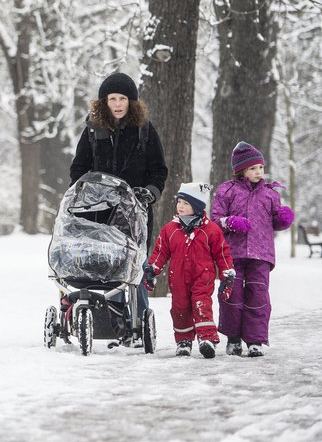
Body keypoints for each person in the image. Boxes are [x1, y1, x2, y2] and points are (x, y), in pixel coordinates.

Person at [69, 72, 168, 326]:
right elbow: (79, 167)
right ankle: (114, 322)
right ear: (104, 102)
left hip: (136, 209)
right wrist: (82, 192)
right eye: (112, 98)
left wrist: (150, 192)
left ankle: (138, 320)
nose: (117, 104)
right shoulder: (92, 130)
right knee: (109, 265)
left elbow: (158, 169)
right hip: (100, 211)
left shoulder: (144, 130)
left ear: (131, 101)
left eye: (122, 98)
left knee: (135, 264)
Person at [211, 141, 295, 358]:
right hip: (232, 254)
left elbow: (274, 222)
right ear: (241, 170)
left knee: (258, 297)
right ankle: (233, 339)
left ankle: (255, 340)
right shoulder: (227, 191)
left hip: (261, 254)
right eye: (252, 168)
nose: (258, 172)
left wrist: (283, 219)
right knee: (232, 296)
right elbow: (215, 220)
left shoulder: (270, 194)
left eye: (260, 167)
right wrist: (230, 222)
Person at [143, 183, 235, 358]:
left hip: (203, 277)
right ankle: (183, 341)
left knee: (202, 305)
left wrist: (227, 275)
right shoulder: (170, 229)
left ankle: (207, 339)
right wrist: (152, 270)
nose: (180, 207)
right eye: (179, 202)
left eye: (186, 203)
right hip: (177, 279)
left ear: (198, 206)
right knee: (180, 308)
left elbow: (222, 254)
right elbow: (160, 252)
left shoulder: (211, 230)